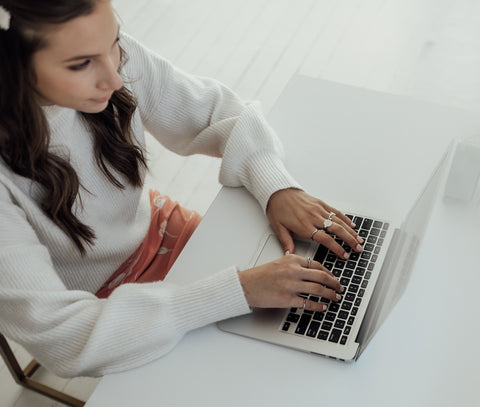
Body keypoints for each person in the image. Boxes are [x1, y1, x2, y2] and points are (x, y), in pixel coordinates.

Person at [0, 0, 364, 378]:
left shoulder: (108, 58)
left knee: (317, 336)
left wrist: (275, 187)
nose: (115, 78)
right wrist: (236, 292)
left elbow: (216, 112)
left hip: (162, 232)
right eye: (80, 65)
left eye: (115, 42)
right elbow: (63, 337)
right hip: (105, 314)